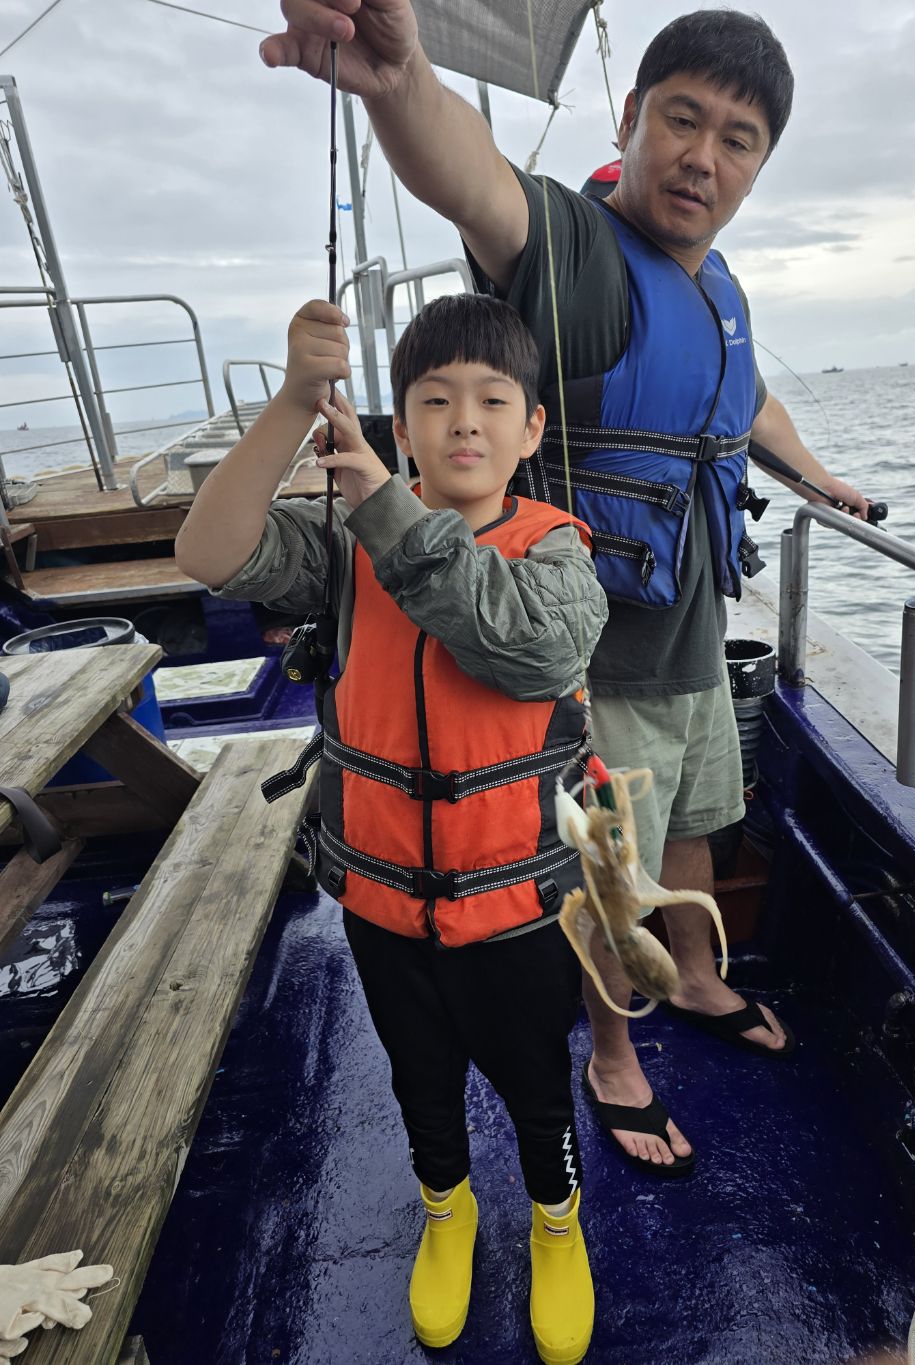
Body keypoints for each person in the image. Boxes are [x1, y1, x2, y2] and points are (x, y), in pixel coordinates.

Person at [259, 2, 870, 1175]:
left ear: (759, 164)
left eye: (736, 139)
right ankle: (614, 1057)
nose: (701, 157)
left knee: (694, 824)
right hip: (589, 653)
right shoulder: (577, 251)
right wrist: (398, 82)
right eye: (680, 120)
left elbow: (743, 399)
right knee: (600, 871)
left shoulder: (718, 285)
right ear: (630, 118)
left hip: (691, 626)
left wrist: (817, 477)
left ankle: (696, 979)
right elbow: (474, 180)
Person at [174, 293, 608, 1365]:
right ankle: (446, 1213)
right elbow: (208, 552)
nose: (464, 421)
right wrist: (293, 401)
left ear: (531, 428)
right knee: (420, 1077)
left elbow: (532, 651)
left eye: (492, 401)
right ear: (400, 425)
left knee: (537, 1085)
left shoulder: (557, 554)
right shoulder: (344, 547)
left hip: (517, 909)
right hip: (381, 902)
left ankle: (556, 1225)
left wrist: (387, 513)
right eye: (435, 400)